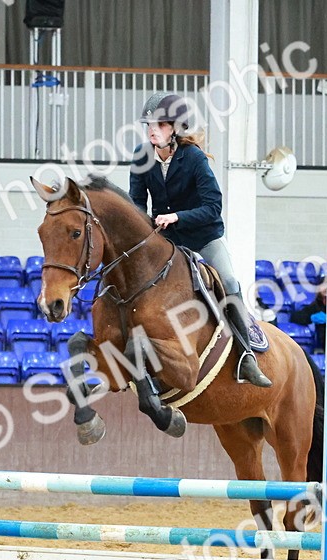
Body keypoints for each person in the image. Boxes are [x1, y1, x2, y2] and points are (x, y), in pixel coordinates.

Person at [129, 92, 271, 388]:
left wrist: (177, 217)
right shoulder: (142, 156)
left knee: (230, 282)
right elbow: (137, 204)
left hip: (204, 236)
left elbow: (212, 207)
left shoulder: (192, 158)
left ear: (175, 128)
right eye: (149, 125)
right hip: (167, 241)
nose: (152, 130)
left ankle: (246, 355)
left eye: (160, 124)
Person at [289, 284, 327, 354]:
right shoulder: (318, 305)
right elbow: (295, 317)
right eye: (323, 298)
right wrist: (310, 318)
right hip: (324, 346)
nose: (324, 301)